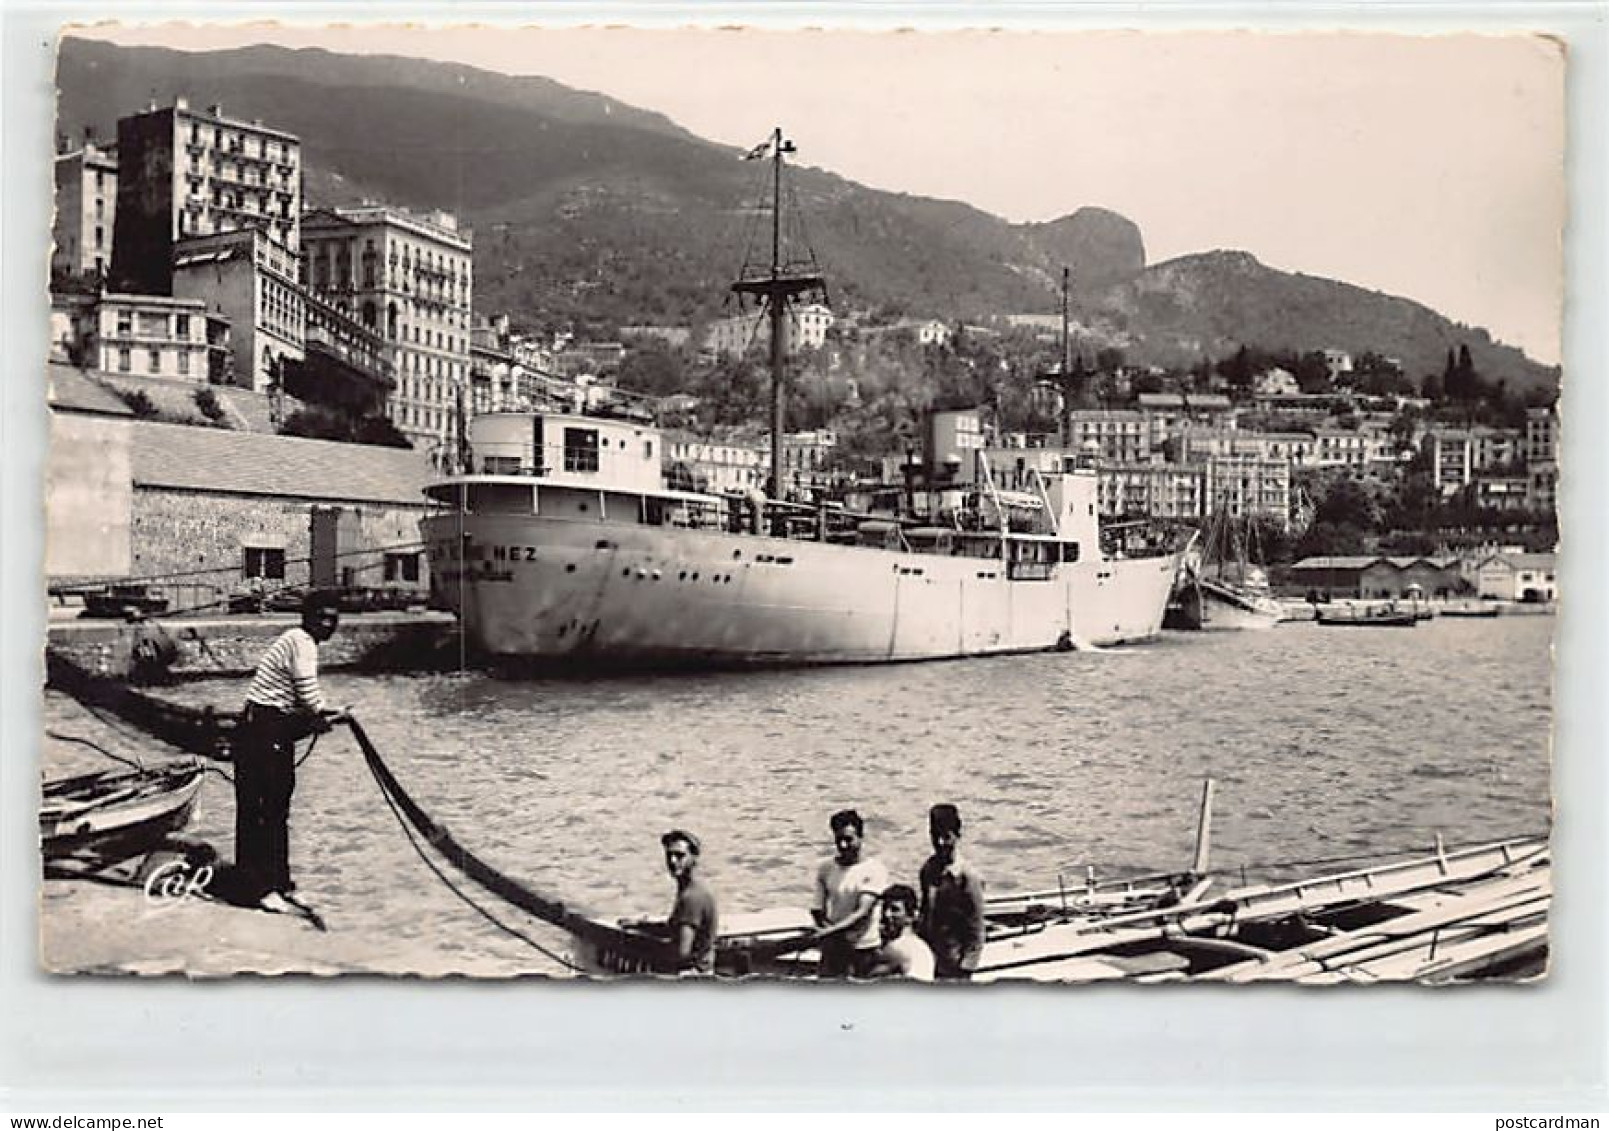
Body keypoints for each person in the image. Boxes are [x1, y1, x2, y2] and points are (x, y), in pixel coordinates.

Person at [233, 590, 345, 912]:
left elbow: (303, 697)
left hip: (269, 728)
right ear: (306, 618)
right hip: (263, 730)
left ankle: (280, 882)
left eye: (333, 619)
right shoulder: (301, 642)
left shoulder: (299, 640)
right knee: (263, 811)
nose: (327, 624)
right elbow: (308, 694)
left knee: (276, 810)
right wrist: (326, 713)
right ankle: (258, 890)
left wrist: (325, 713)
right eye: (321, 617)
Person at [812, 808, 889, 978]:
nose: (843, 846)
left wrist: (828, 933)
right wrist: (828, 934)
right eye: (838, 840)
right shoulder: (825, 868)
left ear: (860, 838)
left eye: (848, 840)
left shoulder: (874, 870)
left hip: (863, 949)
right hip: (834, 947)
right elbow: (817, 909)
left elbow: (861, 913)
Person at [917, 803, 987, 980]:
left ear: (957, 836)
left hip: (956, 965)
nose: (940, 843)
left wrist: (965, 971)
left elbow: (976, 931)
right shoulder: (928, 870)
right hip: (931, 961)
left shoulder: (968, 878)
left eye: (946, 837)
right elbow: (925, 915)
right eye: (935, 836)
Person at [660, 829, 718, 975]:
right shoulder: (696, 888)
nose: (673, 861)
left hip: (691, 977)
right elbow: (680, 929)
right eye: (669, 855)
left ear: (694, 858)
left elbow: (682, 953)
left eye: (680, 856)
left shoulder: (691, 898)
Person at [870, 883, 935, 982]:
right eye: (885, 908)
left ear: (911, 916)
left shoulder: (896, 948)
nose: (887, 914)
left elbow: (868, 980)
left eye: (894, 910)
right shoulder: (921, 945)